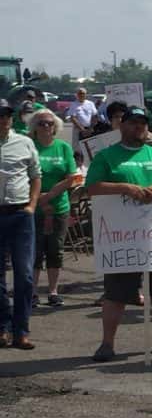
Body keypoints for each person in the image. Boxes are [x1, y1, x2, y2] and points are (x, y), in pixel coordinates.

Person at [86, 107, 152, 362]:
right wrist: (125, 188)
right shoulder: (107, 156)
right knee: (115, 293)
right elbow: (93, 188)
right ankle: (107, 344)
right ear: (122, 125)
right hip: (121, 238)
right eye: (133, 122)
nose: (138, 127)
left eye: (143, 123)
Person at [0, 99, 40, 350]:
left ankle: (21, 330)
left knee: (24, 275)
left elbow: (36, 176)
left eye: (6, 115)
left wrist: (32, 206)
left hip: (20, 214)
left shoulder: (24, 142)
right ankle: (3, 327)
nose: (3, 119)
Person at [29, 110, 76, 308]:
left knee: (55, 250)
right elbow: (22, 175)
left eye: (49, 123)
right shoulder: (29, 146)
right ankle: (32, 292)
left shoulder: (63, 147)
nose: (46, 126)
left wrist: (48, 196)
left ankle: (53, 291)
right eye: (41, 123)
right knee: (35, 251)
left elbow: (71, 177)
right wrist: (39, 199)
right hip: (33, 207)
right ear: (35, 127)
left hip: (59, 207)